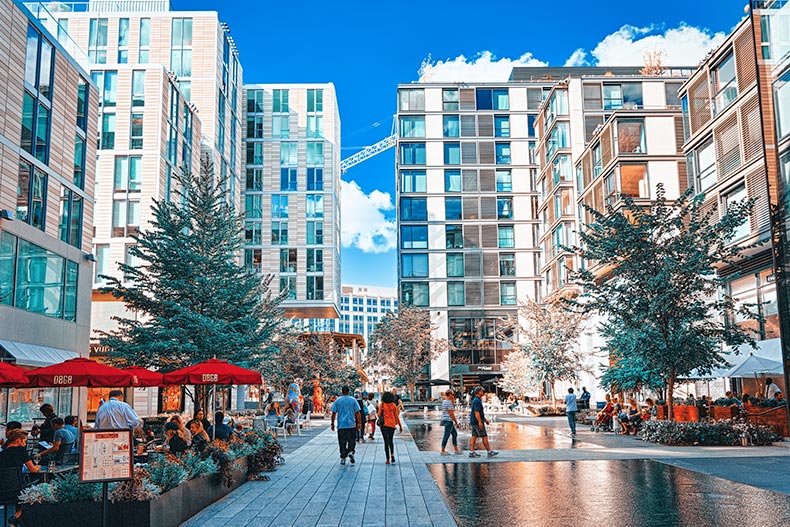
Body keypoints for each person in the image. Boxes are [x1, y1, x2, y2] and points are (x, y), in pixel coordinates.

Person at [0, 429, 40, 526]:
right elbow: (32, 469)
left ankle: (16, 517)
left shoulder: (1, 454)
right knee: (34, 486)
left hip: (2, 492)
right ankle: (18, 516)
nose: (25, 444)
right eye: (24, 441)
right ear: (18, 440)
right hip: (17, 492)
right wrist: (38, 467)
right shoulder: (21, 450)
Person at [330, 386, 361, 465]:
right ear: (348, 391)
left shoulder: (338, 400)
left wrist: (332, 423)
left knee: (342, 442)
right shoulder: (353, 400)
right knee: (352, 440)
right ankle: (351, 451)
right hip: (351, 425)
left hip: (341, 425)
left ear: (342, 391)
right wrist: (359, 423)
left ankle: (343, 458)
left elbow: (334, 413)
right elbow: (358, 413)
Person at [468, 386, 498, 458]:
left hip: (473, 421)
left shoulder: (476, 400)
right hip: (477, 421)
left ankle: (472, 452)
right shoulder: (477, 401)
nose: (483, 392)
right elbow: (477, 412)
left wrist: (485, 419)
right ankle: (489, 451)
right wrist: (480, 422)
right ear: (478, 392)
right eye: (481, 391)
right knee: (484, 436)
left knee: (474, 436)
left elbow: (479, 413)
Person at [378, 391, 401, 464]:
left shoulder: (382, 405)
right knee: (391, 440)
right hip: (392, 425)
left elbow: (378, 415)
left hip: (384, 425)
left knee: (386, 442)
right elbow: (396, 416)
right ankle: (392, 455)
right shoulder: (394, 405)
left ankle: (387, 459)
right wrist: (400, 426)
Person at [440, 390, 461, 455]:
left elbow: (446, 411)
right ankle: (442, 451)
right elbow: (451, 414)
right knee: (446, 435)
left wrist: (453, 400)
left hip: (445, 420)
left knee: (454, 434)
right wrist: (456, 422)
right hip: (449, 421)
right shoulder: (448, 403)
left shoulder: (444, 401)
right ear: (449, 394)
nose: (453, 396)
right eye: (452, 394)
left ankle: (456, 450)